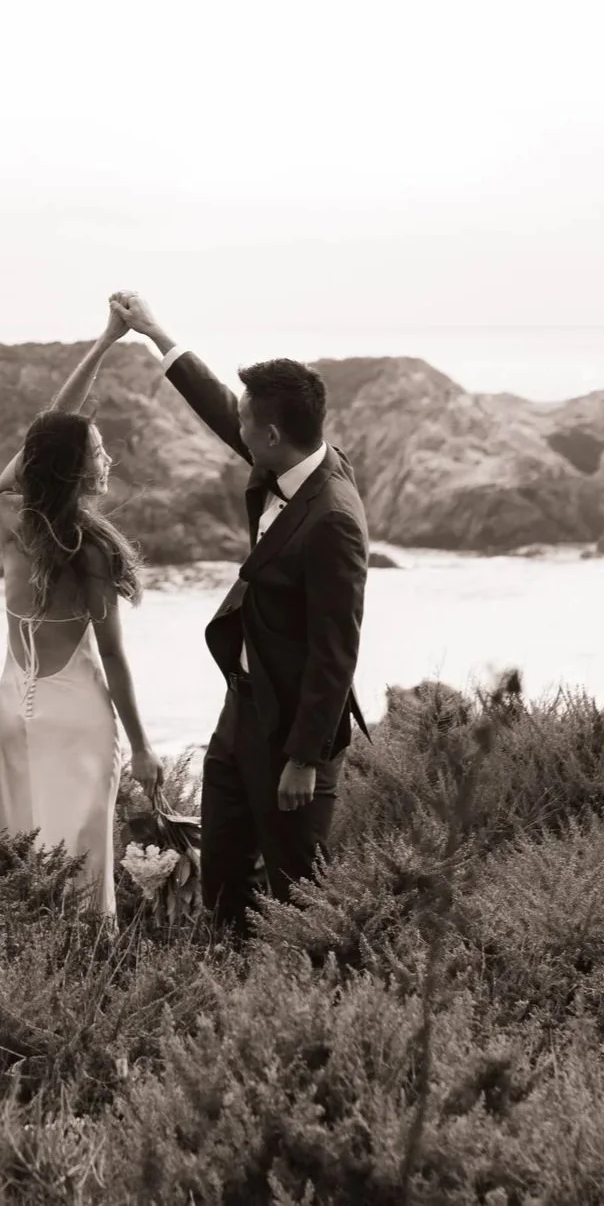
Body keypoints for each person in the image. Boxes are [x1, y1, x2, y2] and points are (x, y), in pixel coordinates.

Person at [109, 289, 369, 931]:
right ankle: (226, 991)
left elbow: (337, 648)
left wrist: (304, 758)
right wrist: (154, 333)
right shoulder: (292, 460)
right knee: (222, 878)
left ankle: (313, 1009)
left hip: (294, 731)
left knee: (298, 892)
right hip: (241, 710)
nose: (238, 430)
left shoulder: (332, 519)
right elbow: (225, 411)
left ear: (272, 435)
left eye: (250, 425)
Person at [0, 306, 162, 918]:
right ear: (78, 469)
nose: (106, 454)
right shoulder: (88, 550)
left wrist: (105, 341)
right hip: (78, 714)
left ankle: (31, 972)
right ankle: (89, 977)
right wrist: (142, 750)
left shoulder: (10, 515)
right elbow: (112, 657)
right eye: (97, 447)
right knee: (85, 868)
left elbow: (45, 437)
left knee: (26, 858)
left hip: (16, 705)